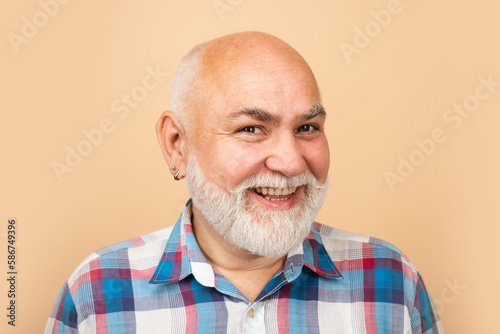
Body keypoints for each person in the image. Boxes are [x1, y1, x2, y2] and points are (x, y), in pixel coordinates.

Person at [45, 32, 443, 333]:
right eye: (252, 128)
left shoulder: (391, 280)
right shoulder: (97, 292)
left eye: (307, 127)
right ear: (176, 144)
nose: (289, 162)